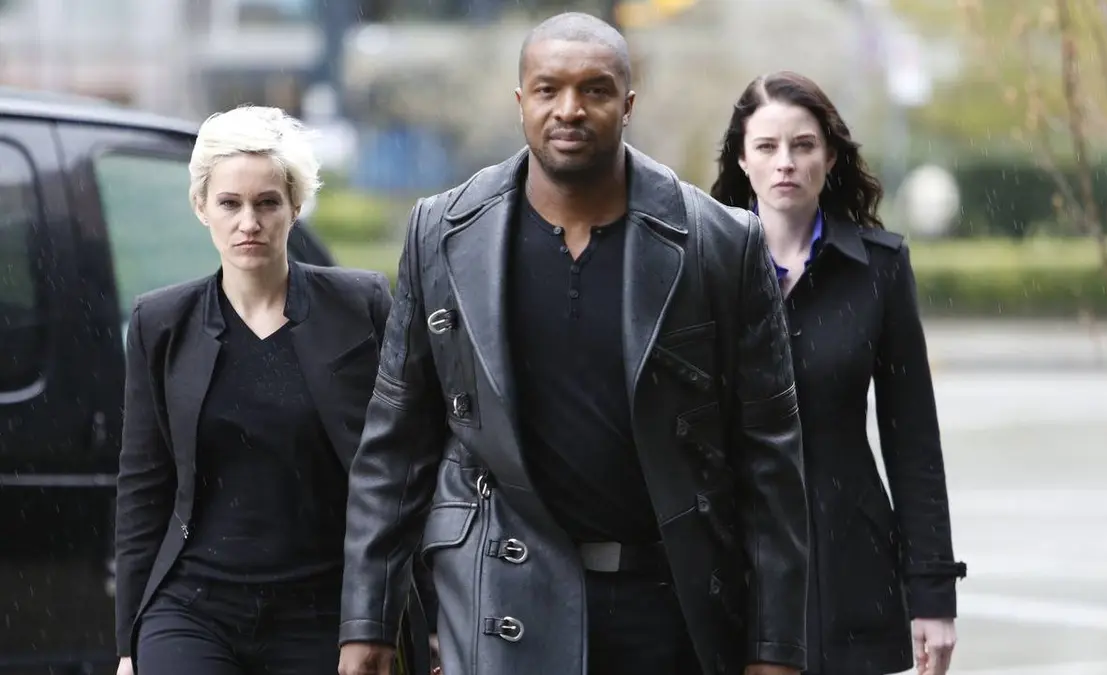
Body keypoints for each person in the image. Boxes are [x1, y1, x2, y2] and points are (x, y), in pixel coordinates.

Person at [337, 12, 810, 675]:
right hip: (500, 598)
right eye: (548, 89)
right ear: (520, 101)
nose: (570, 109)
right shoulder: (443, 233)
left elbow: (770, 457)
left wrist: (776, 647)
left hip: (669, 604)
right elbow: (395, 445)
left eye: (594, 90)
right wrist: (368, 619)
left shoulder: (720, 243)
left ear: (628, 104)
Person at [114, 105, 392, 675]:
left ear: (295, 206)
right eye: (229, 203)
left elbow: (402, 469)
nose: (249, 222)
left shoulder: (359, 307)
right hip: (192, 607)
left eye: (267, 203)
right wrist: (127, 647)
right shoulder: (160, 323)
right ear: (201, 207)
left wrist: (408, 618)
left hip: (323, 608)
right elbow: (144, 486)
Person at [710, 71, 967, 675]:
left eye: (803, 145)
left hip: (849, 560)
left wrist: (932, 594)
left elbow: (913, 440)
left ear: (829, 156)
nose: (785, 162)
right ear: (742, 159)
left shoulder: (878, 268)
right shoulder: (701, 266)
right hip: (729, 560)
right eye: (767, 146)